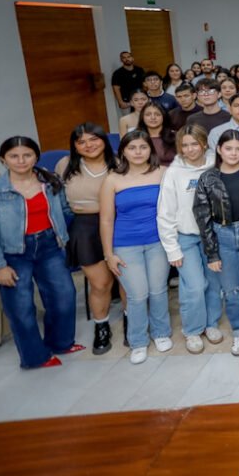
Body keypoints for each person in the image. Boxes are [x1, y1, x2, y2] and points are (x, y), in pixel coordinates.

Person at [0, 137, 82, 369]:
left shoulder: (50, 181)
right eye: (14, 156)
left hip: (50, 246)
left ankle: (61, 342)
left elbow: (64, 209)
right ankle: (34, 357)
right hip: (13, 253)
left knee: (64, 296)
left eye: (27, 155)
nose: (21, 161)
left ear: (36, 157)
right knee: (21, 309)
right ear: (3, 160)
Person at [193, 131, 239, 356]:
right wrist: (212, 254)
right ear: (219, 149)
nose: (233, 153)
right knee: (231, 289)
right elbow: (202, 216)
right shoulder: (208, 178)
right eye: (228, 149)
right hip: (222, 235)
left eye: (238, 149)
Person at [99, 131, 170, 364]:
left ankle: (161, 332)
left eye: (143, 147)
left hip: (158, 241)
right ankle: (138, 340)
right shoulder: (112, 179)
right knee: (137, 294)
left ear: (151, 149)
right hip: (125, 244)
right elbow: (106, 219)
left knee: (158, 290)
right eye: (132, 148)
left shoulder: (162, 173)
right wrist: (109, 254)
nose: (138, 152)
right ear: (123, 152)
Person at [157, 124, 223, 353]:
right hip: (186, 237)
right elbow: (165, 212)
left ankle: (211, 323)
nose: (190, 149)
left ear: (204, 144)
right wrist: (172, 248)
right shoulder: (173, 172)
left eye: (194, 143)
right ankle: (193, 330)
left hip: (213, 235)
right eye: (184, 145)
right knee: (194, 286)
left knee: (214, 282)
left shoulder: (217, 164)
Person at [56, 123, 116, 354]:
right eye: (81, 142)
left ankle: (132, 319)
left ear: (103, 139)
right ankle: (102, 327)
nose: (88, 145)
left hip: (119, 223)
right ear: (74, 146)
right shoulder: (65, 165)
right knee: (100, 283)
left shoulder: (119, 163)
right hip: (85, 226)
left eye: (93, 139)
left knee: (125, 279)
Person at [137, 102, 177, 166]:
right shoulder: (135, 138)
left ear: (164, 116)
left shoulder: (175, 137)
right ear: (142, 117)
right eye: (148, 114)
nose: (153, 117)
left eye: (157, 114)